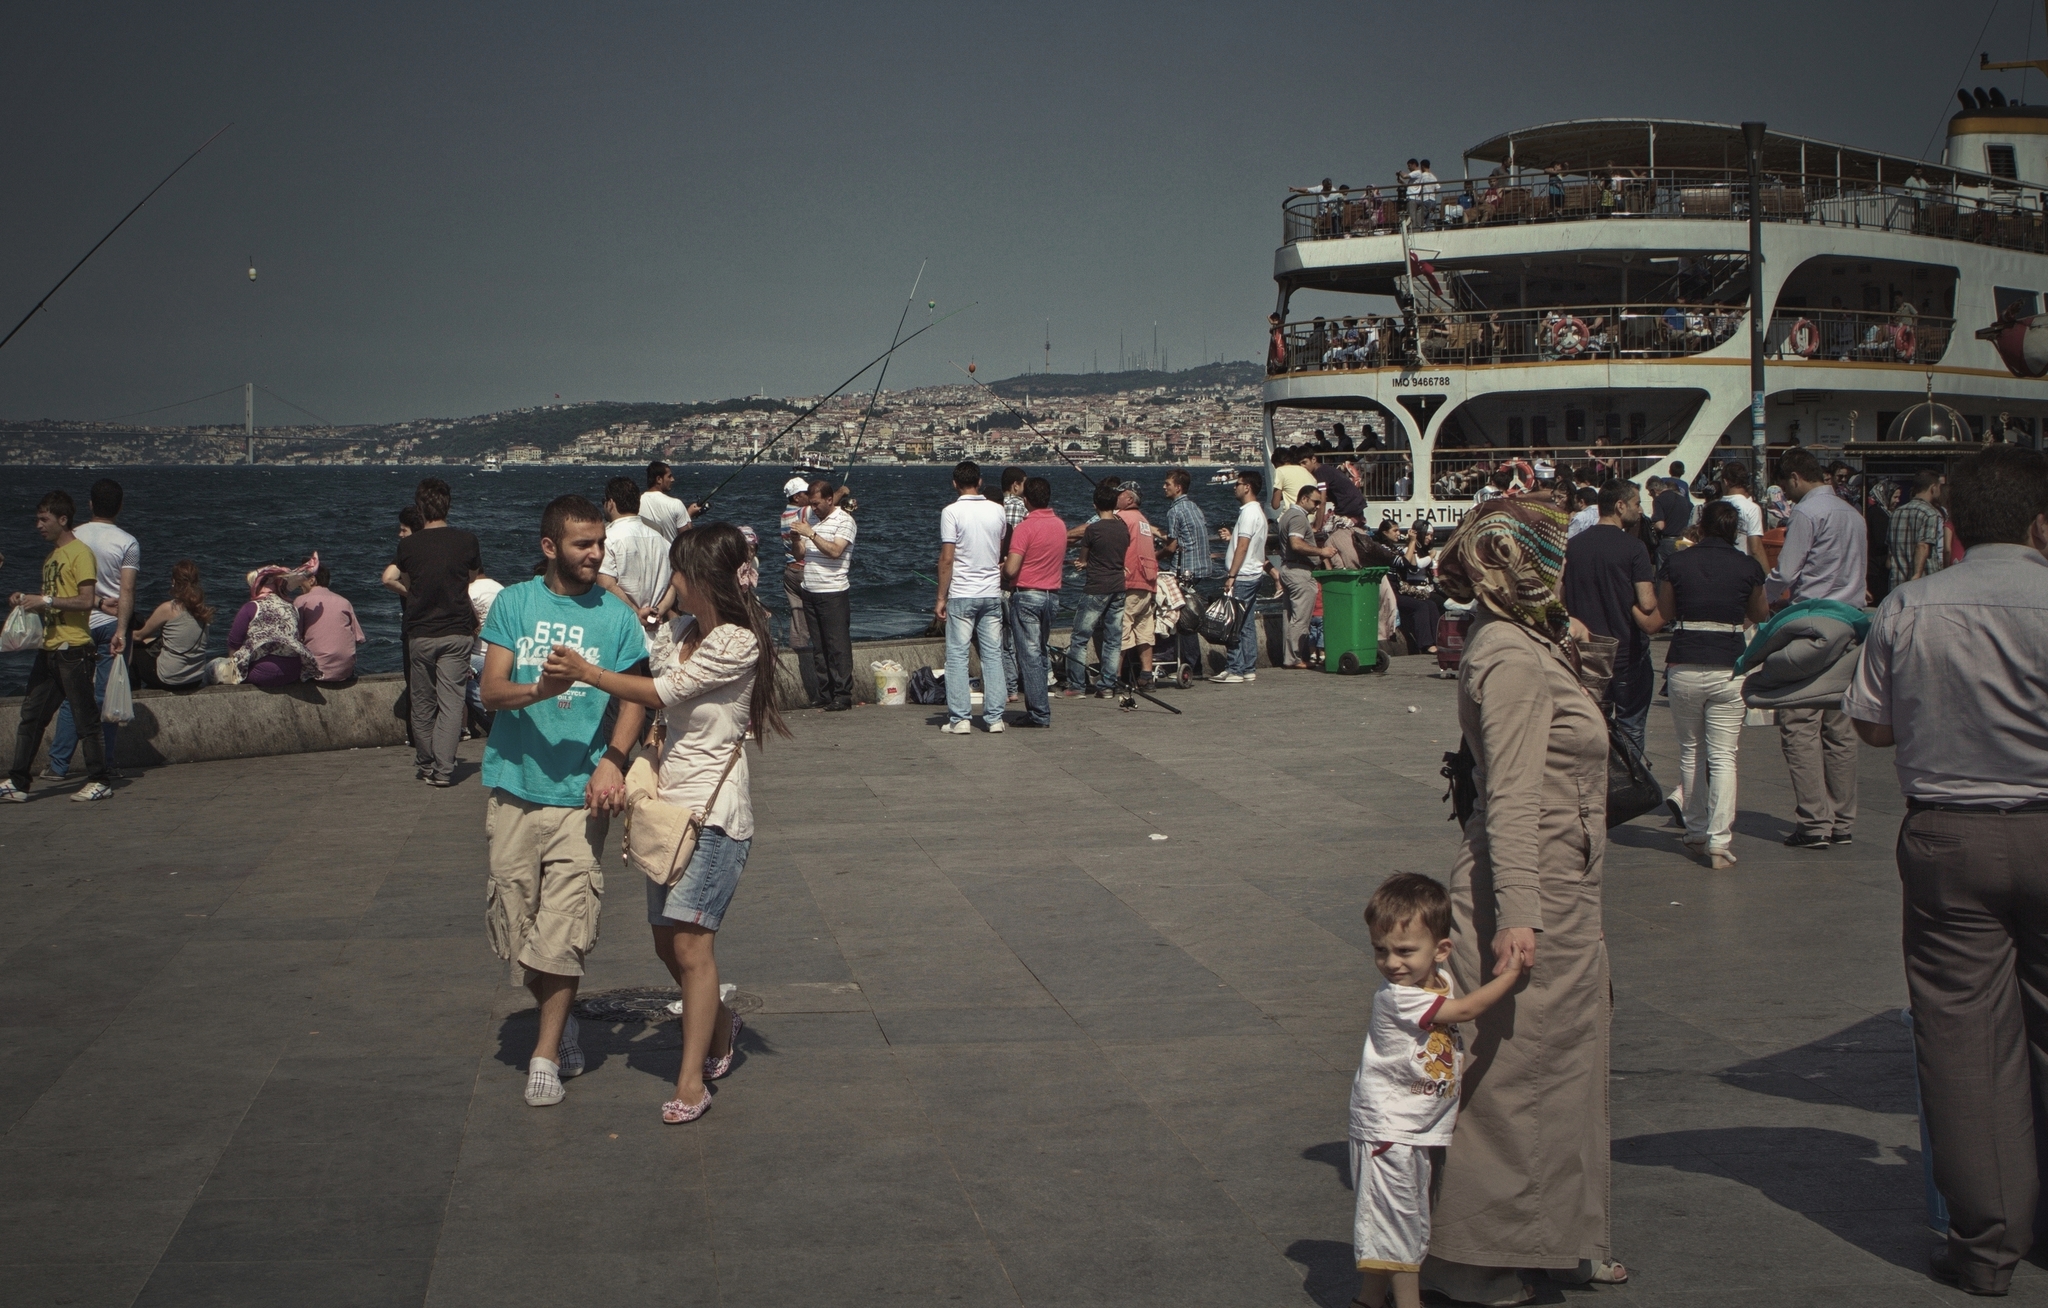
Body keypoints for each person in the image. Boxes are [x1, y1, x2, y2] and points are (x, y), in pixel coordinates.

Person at [1843, 445, 2048, 1297]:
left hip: (1948, 839)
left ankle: (1987, 1244)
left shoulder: (1909, 606)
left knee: (1963, 1043)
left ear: (1953, 525)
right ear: (2042, 523)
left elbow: (1874, 727)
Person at [1426, 494, 1624, 1301]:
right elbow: (1508, 795)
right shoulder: (1509, 656)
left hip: (1558, 878)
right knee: (1517, 1074)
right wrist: (1519, 916)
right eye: (1552, 554)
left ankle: (1557, 1234)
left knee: (1562, 1062)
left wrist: (1579, 644)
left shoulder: (1528, 642)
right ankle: (1482, 1259)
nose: (1563, 569)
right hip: (1534, 880)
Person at [543, 522, 781, 1123]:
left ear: (701, 577)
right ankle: (721, 1021)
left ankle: (691, 1081)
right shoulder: (679, 632)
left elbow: (660, 692)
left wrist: (587, 673)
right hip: (667, 812)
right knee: (662, 940)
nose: (670, 581)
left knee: (692, 946)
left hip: (715, 816)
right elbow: (651, 679)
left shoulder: (737, 642)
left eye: (678, 570)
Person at [476, 494, 650, 1109]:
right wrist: (540, 688)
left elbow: (637, 694)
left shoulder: (617, 615)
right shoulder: (514, 603)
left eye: (600, 543)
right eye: (583, 545)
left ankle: (545, 1053)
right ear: (550, 546)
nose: (597, 554)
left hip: (581, 794)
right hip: (515, 786)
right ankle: (563, 1015)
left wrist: (614, 759)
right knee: (518, 928)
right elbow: (491, 691)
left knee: (566, 927)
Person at [1351, 873, 1525, 1308]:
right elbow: (1466, 1010)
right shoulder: (1399, 998)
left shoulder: (1433, 980)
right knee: (1402, 1224)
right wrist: (1511, 976)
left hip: (1407, 1129)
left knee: (1387, 1220)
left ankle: (1369, 1299)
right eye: (1380, 951)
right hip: (1389, 1130)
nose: (1392, 963)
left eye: (1405, 951)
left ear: (1441, 950)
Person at [1656, 501, 1769, 868]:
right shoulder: (1748, 567)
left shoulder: (1677, 562)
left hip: (1685, 662)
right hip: (1729, 667)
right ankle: (1719, 842)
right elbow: (1759, 614)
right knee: (1724, 757)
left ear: (1700, 526)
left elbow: (1667, 612)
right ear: (1734, 530)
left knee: (1691, 751)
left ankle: (1695, 830)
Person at [1767, 448, 1867, 849]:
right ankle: (1843, 819)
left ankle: (1814, 821)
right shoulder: (1853, 514)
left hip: (1813, 621)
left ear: (1794, 478)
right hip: (1851, 619)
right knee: (1840, 726)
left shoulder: (1808, 513)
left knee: (1799, 721)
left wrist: (1765, 597)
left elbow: (1786, 571)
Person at [3, 491, 114, 804]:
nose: (38, 525)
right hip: (49, 648)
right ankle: (18, 780)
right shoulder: (51, 558)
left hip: (74, 649)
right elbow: (52, 600)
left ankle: (99, 779)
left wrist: (46, 600)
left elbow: (86, 600)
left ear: (62, 520)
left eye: (44, 519)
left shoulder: (80, 554)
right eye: (38, 519)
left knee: (84, 718)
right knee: (31, 716)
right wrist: (27, 601)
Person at [385, 478, 484, 786]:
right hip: (456, 630)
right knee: (452, 701)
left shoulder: (407, 545)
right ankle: (443, 769)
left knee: (423, 701)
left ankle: (427, 761)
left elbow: (403, 579)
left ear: (420, 509)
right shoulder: (467, 540)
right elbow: (470, 577)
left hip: (420, 632)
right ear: (447, 505)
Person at [1563, 480, 1663, 755]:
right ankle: (1629, 788)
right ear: (1620, 506)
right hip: (1626, 652)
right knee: (1630, 726)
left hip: (1586, 655)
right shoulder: (1634, 548)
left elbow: (1560, 597)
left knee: (1591, 726)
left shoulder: (1573, 546)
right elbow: (1646, 602)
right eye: (1637, 503)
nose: (1641, 510)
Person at [48, 479, 138, 782]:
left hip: (79, 623)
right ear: (120, 507)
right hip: (113, 625)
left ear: (89, 505)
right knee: (106, 699)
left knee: (73, 697)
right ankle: (104, 762)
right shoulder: (127, 542)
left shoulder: (74, 537)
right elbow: (127, 591)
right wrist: (123, 632)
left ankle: (57, 765)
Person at [935, 461, 1009, 733]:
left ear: (954, 484)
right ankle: (995, 718)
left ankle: (960, 719)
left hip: (962, 592)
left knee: (956, 656)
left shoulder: (951, 512)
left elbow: (947, 558)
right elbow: (997, 548)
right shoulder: (998, 510)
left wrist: (940, 598)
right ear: (979, 481)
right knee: (992, 656)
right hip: (990, 592)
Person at [787, 481, 856, 711]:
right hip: (810, 588)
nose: (813, 508)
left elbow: (836, 551)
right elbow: (800, 554)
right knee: (819, 646)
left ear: (829, 500)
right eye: (811, 504)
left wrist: (811, 533)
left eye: (817, 504)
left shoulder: (845, 521)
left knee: (837, 645)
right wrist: (797, 538)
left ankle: (843, 694)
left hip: (833, 591)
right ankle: (824, 692)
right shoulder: (812, 520)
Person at [1002, 477, 1064, 727]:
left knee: (1029, 657)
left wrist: (1002, 568)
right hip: (1052, 597)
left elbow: (1011, 569)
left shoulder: (1025, 528)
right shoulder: (1059, 525)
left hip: (1027, 595)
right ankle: (1039, 709)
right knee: (1040, 652)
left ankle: (1039, 713)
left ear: (1026, 500)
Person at [1064, 482, 1129, 697]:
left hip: (1096, 587)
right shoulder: (1123, 528)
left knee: (1080, 637)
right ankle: (1108, 685)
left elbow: (1083, 559)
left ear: (1095, 506)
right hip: (1119, 586)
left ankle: (1076, 685)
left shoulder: (1093, 529)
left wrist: (1082, 563)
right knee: (1113, 638)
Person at [1216, 470, 1268, 684]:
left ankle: (1235, 668)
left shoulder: (1248, 513)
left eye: (1237, 484)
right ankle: (1248, 667)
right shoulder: (1258, 512)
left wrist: (1231, 575)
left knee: (1233, 622)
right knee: (1246, 623)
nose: (1234, 487)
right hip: (1253, 573)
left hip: (1243, 575)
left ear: (1247, 487)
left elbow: (1243, 547)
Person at [231, 559, 319, 686]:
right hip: (293, 672)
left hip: (263, 672)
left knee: (216, 669)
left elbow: (234, 642)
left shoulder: (251, 607)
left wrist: (236, 669)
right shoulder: (291, 607)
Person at [133, 560, 216, 689]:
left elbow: (138, 636)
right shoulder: (203, 611)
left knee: (132, 652)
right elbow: (177, 641)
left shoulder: (169, 608)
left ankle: (133, 695)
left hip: (170, 679)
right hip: (195, 679)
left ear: (173, 582)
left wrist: (119, 634)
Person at [1276, 483, 1335, 668]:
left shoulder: (1287, 516)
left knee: (1290, 618)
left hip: (1287, 568)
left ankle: (1289, 657)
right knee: (1301, 619)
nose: (1318, 506)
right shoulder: (1298, 518)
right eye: (1315, 502)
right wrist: (1321, 552)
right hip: (1299, 572)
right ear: (1304, 499)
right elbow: (1296, 544)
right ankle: (1295, 658)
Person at [596, 476, 670, 619]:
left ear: (611, 503)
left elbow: (607, 585)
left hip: (622, 625)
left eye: (604, 501)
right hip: (656, 627)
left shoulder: (607, 539)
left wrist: (637, 612)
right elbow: (674, 583)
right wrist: (656, 612)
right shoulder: (663, 541)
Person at [1161, 469, 1212, 678]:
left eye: (1167, 484)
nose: (1164, 487)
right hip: (1201, 566)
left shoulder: (1174, 511)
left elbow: (1172, 547)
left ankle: (1191, 665)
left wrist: (1155, 556)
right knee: (1189, 614)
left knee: (1183, 619)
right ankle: (1188, 663)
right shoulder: (1194, 507)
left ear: (1178, 487)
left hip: (1184, 569)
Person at [778, 477, 822, 707]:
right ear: (797, 497)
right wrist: (842, 492)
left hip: (789, 571)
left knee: (797, 620)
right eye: (806, 493)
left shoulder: (785, 515)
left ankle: (797, 656)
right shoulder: (803, 512)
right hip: (805, 571)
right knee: (813, 620)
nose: (811, 496)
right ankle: (812, 670)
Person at [1114, 484, 1162, 687]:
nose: (1115, 497)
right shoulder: (1143, 520)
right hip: (1147, 581)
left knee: (1121, 630)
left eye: (1119, 494)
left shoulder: (1123, 518)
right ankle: (1146, 676)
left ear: (1129, 499)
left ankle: (1114, 678)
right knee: (1144, 631)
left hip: (1130, 580)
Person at [292, 564, 365, 683]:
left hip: (315, 671)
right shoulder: (344, 602)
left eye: (301, 581)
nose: (299, 585)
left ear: (311, 580)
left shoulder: (301, 600)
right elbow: (359, 638)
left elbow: (294, 637)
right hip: (345, 671)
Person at [1888, 469, 1948, 592]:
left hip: (1898, 581)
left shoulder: (1897, 512)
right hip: (1922, 583)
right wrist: (1917, 575)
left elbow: (1890, 549)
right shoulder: (1930, 513)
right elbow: (1923, 546)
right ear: (1933, 488)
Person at [466, 566, 505, 733]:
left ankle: (493, 713)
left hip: (477, 654)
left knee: (456, 679)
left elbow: (472, 628)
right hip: (501, 653)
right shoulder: (501, 589)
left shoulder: (468, 591)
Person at [1650, 461, 1693, 571]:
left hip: (1668, 541)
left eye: (1650, 493)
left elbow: (1660, 526)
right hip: (1684, 541)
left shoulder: (1659, 500)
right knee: (1682, 572)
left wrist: (1652, 526)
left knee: (1664, 574)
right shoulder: (1685, 500)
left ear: (1654, 490)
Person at [1719, 462, 1766, 562]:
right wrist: (1767, 575)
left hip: (1717, 565)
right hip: (1741, 566)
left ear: (1725, 482)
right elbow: (1755, 549)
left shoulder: (1714, 508)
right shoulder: (1752, 508)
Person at [637, 460, 694, 540]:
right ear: (659, 479)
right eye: (669, 476)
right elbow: (687, 539)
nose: (672, 479)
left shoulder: (636, 503)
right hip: (669, 552)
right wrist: (689, 515)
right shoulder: (675, 504)